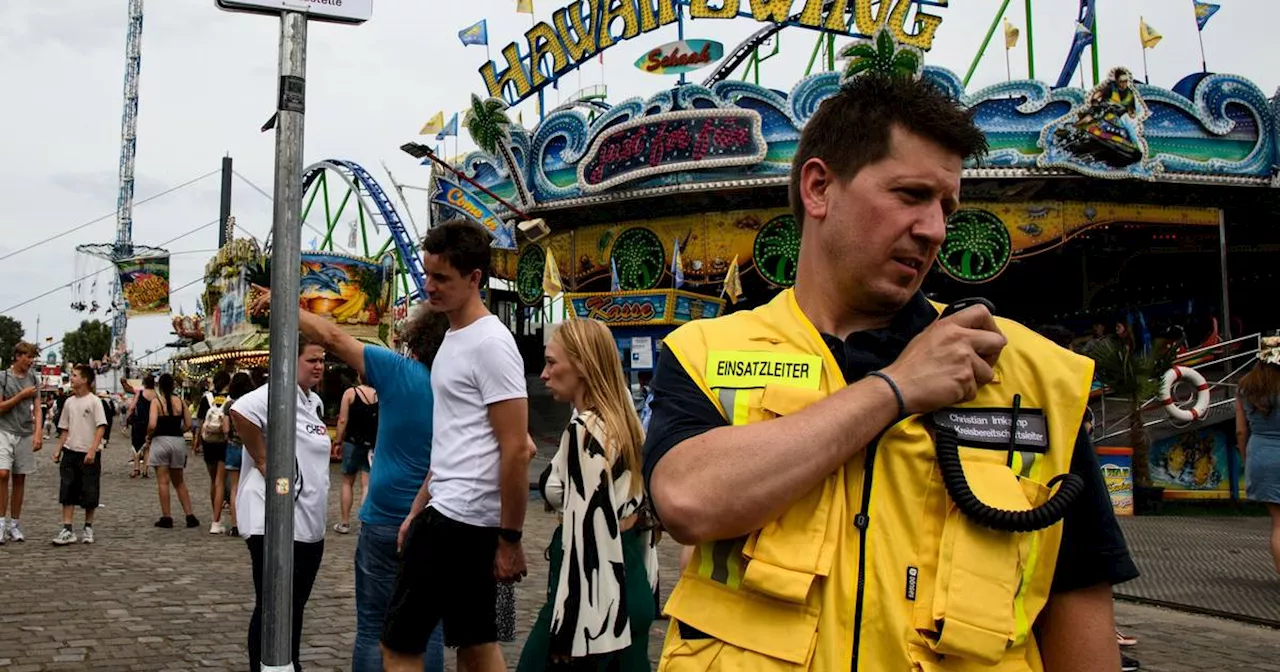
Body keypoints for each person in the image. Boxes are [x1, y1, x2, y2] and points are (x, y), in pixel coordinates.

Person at [643, 73, 1137, 671]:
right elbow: (688, 499)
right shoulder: (705, 352)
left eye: (946, 206)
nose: (934, 229)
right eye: (909, 195)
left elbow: (1077, 605)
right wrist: (896, 389)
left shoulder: (1028, 375)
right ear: (820, 188)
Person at [381, 221, 532, 672]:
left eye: (442, 278)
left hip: (459, 521)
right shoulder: (454, 336)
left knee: (399, 644)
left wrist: (510, 539)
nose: (429, 287)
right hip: (456, 513)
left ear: (475, 279)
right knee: (477, 644)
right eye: (427, 275)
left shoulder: (490, 343)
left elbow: (517, 448)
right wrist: (415, 510)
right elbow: (455, 441)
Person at [276, 286, 450, 672]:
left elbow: (333, 337)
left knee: (373, 625)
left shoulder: (398, 371)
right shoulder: (456, 386)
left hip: (385, 516)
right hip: (436, 517)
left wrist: (282, 301)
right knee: (431, 627)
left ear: (417, 339)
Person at [518, 319, 658, 672]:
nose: (544, 374)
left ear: (581, 365)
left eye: (551, 362)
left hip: (593, 600)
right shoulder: (625, 423)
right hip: (631, 586)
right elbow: (642, 520)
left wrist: (570, 624)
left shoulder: (586, 431)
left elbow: (589, 534)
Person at [231, 332, 331, 672]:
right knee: (273, 603)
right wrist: (263, 460)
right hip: (271, 519)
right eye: (312, 360)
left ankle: (289, 662)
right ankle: (267, 665)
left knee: (295, 604)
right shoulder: (274, 393)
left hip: (308, 523)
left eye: (322, 360)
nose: (319, 366)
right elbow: (240, 411)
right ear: (293, 361)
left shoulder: (312, 401)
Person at [1237, 334, 1280, 574]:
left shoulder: (1245, 386)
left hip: (1261, 455)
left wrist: (1247, 459)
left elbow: (1241, 432)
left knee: (1278, 524)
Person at [51, 365, 105, 545]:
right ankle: (67, 528)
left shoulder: (94, 401)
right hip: (70, 451)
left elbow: (101, 427)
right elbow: (64, 428)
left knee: (90, 491)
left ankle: (88, 527)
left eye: (75, 375)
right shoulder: (68, 402)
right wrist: (59, 449)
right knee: (67, 490)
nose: (72, 378)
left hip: (88, 453)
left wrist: (92, 449)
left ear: (85, 380)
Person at [0, 342, 43, 544]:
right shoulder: (3, 377)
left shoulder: (33, 377)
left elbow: (37, 407)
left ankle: (14, 523)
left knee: (20, 478)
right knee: (2, 474)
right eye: (28, 356)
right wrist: (20, 396)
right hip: (4, 430)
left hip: (25, 432)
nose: (31, 361)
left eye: (32, 357)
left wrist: (38, 432)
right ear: (17, 356)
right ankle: (1, 522)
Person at [148, 373, 200, 529]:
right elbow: (189, 423)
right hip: (177, 441)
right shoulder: (181, 402)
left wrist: (149, 436)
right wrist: (180, 430)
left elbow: (152, 424)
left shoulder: (156, 402)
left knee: (163, 482)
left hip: (160, 441)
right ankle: (190, 516)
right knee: (179, 482)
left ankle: (167, 517)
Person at [333, 376, 378, 535]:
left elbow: (343, 420)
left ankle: (344, 523)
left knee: (347, 482)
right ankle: (364, 522)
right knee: (367, 484)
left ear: (359, 376)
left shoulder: (350, 393)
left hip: (352, 443)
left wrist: (338, 441)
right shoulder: (379, 393)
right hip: (373, 445)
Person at [194, 371, 234, 534]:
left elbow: (200, 422)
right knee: (220, 481)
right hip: (224, 443)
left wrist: (197, 442)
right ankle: (216, 522)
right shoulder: (231, 400)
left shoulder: (206, 398)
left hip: (208, 442)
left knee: (213, 481)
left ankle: (215, 514)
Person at [222, 371, 255, 537]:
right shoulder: (253, 403)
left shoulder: (229, 406)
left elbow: (226, 429)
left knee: (235, 488)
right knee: (250, 486)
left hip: (234, 447)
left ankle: (235, 525)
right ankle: (250, 523)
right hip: (251, 448)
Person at [127, 375, 157, 478]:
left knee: (136, 446)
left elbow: (132, 407)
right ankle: (145, 470)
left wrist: (128, 418)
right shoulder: (156, 395)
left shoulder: (140, 393)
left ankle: (136, 469)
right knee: (148, 446)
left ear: (144, 382)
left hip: (138, 422)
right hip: (151, 423)